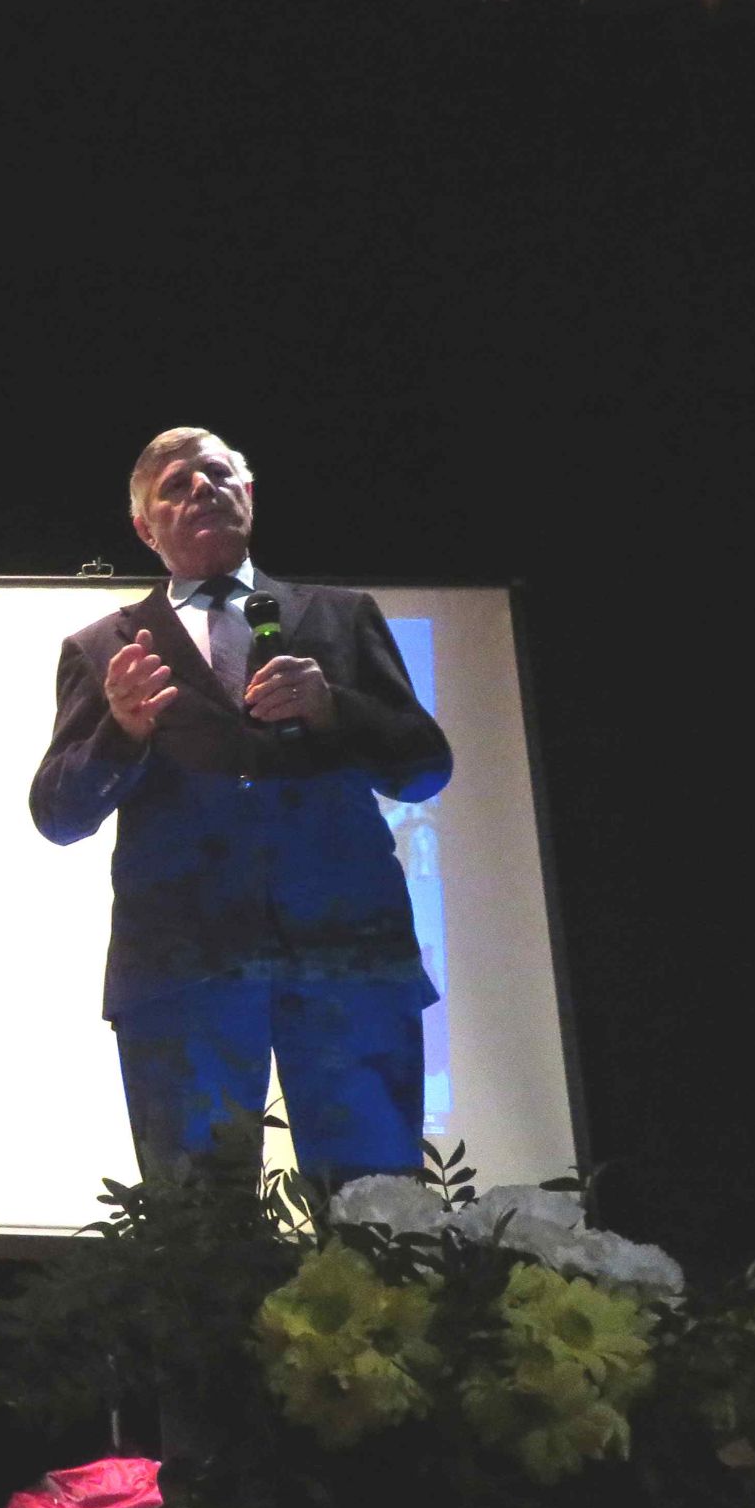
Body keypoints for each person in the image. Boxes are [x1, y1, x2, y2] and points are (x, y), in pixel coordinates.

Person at [28, 428, 451, 1187]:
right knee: (200, 1230)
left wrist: (335, 708)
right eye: (176, 485)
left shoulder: (342, 616)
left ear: (248, 496)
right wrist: (121, 732)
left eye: (218, 475)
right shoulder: (103, 649)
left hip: (348, 964)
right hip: (181, 978)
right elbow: (59, 815)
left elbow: (423, 770)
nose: (203, 489)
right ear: (144, 528)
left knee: (380, 1218)